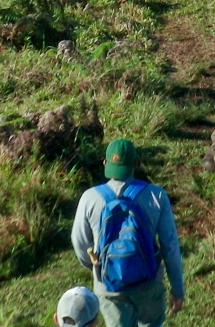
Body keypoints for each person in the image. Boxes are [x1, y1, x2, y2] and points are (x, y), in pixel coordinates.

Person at [71, 139, 186, 327]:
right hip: (148, 283)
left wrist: (96, 267)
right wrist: (178, 289)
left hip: (108, 285)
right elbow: (170, 246)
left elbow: (79, 243)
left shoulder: (89, 198)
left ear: (105, 163)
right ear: (137, 163)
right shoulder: (156, 196)